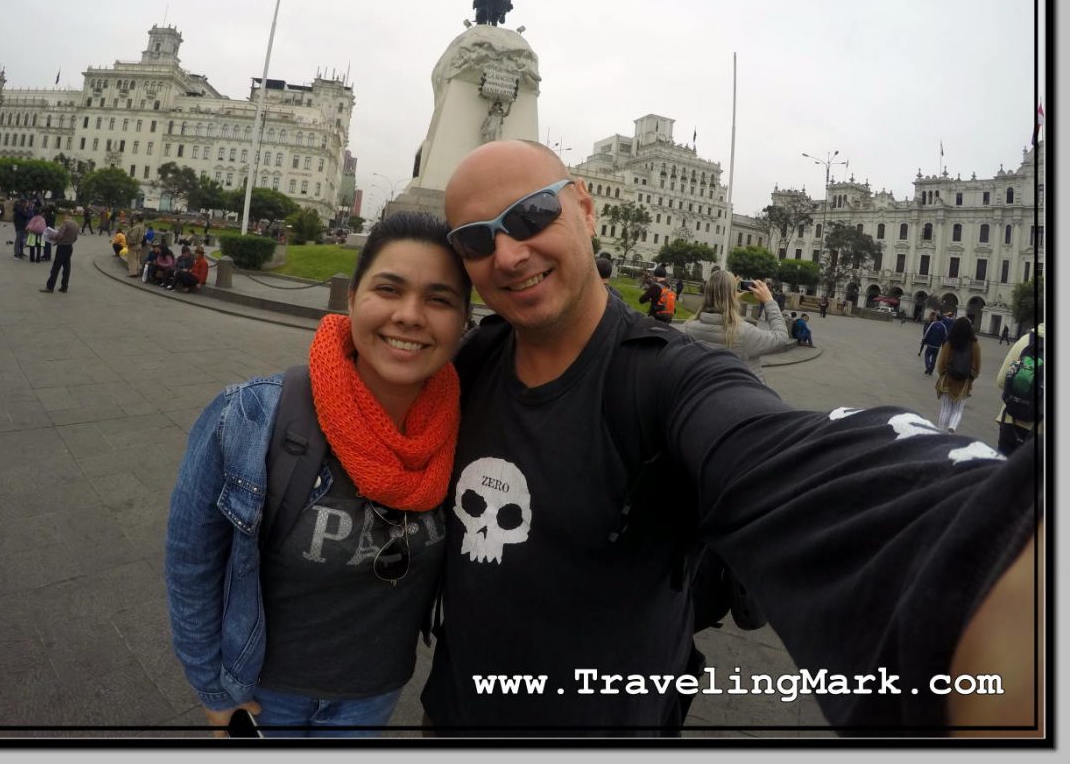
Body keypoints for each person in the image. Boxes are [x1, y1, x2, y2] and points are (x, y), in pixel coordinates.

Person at [424, 139, 1038, 736]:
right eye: (476, 238)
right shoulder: (468, 365)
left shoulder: (668, 376)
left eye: (532, 214)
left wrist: (1000, 541)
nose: (507, 254)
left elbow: (781, 456)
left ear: (584, 207)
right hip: (450, 716)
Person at [165, 212, 471, 737]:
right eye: (389, 289)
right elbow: (192, 563)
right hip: (264, 696)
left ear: (464, 320)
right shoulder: (250, 415)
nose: (410, 315)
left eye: (439, 299)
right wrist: (213, 692)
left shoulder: (466, 429)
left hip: (372, 697)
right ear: (352, 298)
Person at [681, 271, 791, 383]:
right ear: (731, 295)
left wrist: (730, 294)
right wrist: (769, 301)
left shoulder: (689, 328)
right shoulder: (743, 333)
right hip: (742, 393)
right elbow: (781, 337)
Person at [995, 323, 1043, 455]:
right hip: (1039, 430)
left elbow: (1001, 381)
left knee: (1004, 471)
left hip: (1011, 419)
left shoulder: (1025, 340)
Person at [933, 317, 980, 433]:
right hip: (964, 382)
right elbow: (976, 367)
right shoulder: (974, 344)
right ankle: (952, 428)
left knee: (945, 409)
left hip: (948, 380)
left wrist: (943, 373)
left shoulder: (950, 342)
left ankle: (940, 433)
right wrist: (971, 377)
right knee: (958, 410)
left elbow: (941, 364)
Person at [40, 212, 80, 293]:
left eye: (64, 216)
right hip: (69, 247)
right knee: (67, 268)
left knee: (56, 267)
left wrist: (51, 237)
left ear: (67, 216)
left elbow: (59, 235)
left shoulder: (65, 223)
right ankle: (64, 287)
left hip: (62, 247)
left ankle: (50, 287)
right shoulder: (76, 224)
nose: (63, 218)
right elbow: (76, 238)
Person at [920, 310, 947, 375]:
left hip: (930, 344)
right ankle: (930, 371)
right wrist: (943, 345)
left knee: (927, 355)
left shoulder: (933, 324)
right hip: (937, 346)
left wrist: (924, 340)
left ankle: (928, 365)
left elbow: (927, 333)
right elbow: (945, 336)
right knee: (934, 358)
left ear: (937, 318)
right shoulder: (943, 326)